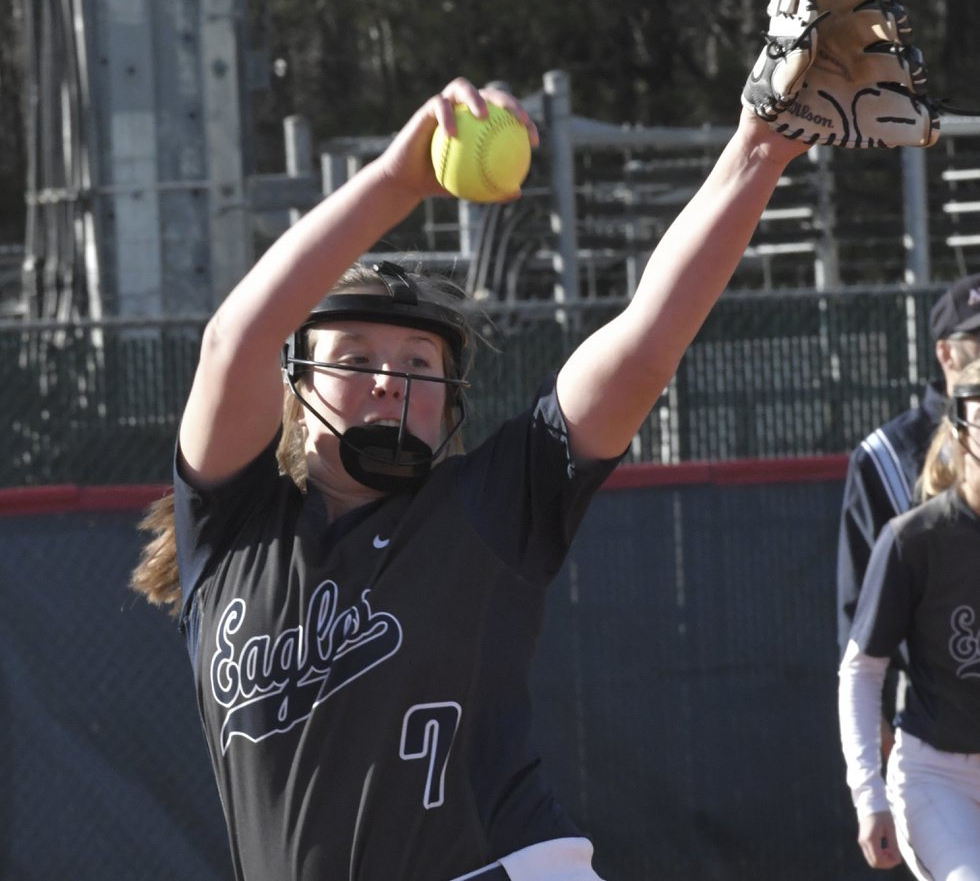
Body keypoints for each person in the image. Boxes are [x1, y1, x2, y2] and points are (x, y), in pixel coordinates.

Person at [131, 74, 811, 881]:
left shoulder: (486, 510)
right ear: (297, 392)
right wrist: (394, 183)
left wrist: (761, 148)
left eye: (418, 362)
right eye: (356, 359)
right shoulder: (231, 531)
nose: (390, 379)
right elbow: (231, 344)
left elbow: (643, 342)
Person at [839, 357, 980, 879]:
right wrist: (868, 795)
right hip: (938, 774)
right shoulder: (914, 539)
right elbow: (861, 671)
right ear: (961, 429)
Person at [836, 273, 980, 758]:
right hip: (926, 705)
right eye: (977, 337)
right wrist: (871, 713)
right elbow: (860, 600)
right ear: (946, 353)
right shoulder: (886, 455)